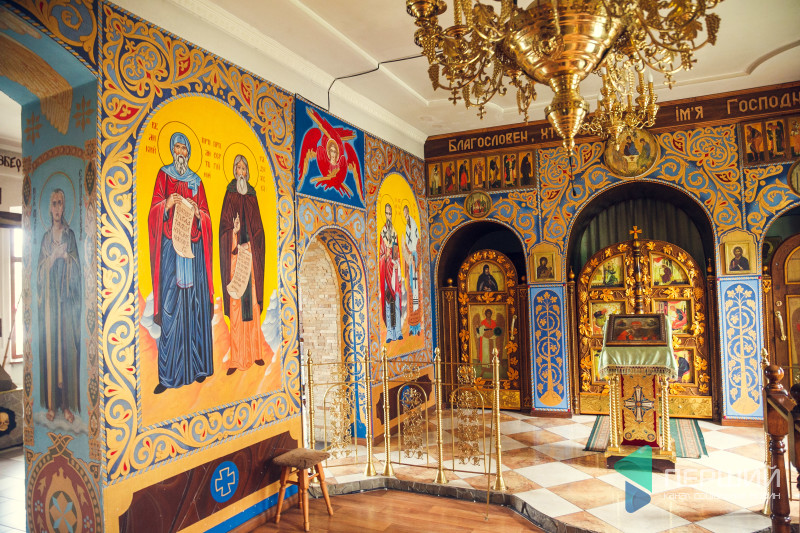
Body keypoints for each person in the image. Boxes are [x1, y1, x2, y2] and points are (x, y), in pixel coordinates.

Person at [148, 132, 214, 394]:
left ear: (188, 152)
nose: (180, 153)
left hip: (193, 252)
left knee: (194, 308)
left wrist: (199, 214)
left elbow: (207, 215)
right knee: (171, 308)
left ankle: (197, 368)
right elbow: (153, 211)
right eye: (176, 148)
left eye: (184, 148)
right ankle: (169, 376)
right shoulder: (163, 176)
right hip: (170, 253)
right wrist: (166, 204)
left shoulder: (196, 181)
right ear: (171, 150)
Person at [219, 155, 266, 375]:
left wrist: (253, 245)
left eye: (244, 168)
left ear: (247, 172)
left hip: (251, 262)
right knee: (237, 308)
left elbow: (260, 231)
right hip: (235, 260)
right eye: (238, 168)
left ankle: (256, 353)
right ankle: (236, 360)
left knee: (253, 308)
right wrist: (234, 234)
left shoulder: (253, 197)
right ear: (234, 171)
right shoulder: (229, 195)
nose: (241, 172)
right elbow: (223, 230)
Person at [38, 188, 81, 423]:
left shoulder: (70, 235)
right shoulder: (46, 239)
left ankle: (66, 406)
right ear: (50, 208)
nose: (56, 208)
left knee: (66, 352)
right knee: (50, 352)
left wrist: (66, 258)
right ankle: (52, 405)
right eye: (53, 203)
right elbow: (39, 272)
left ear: (64, 207)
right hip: (50, 307)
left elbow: (77, 266)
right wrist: (53, 258)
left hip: (65, 304)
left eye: (60, 203)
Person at [380, 203, 403, 342]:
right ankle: (389, 333)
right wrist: (386, 257)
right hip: (386, 275)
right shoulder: (382, 232)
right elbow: (380, 255)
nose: (388, 216)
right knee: (389, 303)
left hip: (394, 273)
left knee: (397, 300)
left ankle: (398, 331)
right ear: (385, 214)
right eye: (386, 213)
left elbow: (397, 253)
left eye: (390, 214)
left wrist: (396, 264)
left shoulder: (394, 232)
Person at [402, 205, 422, 336]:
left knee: (416, 296)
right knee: (410, 295)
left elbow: (417, 244)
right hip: (410, 266)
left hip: (414, 265)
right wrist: (408, 256)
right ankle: (411, 327)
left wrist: (414, 258)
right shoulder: (406, 228)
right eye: (404, 214)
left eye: (406, 213)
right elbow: (407, 246)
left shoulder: (413, 225)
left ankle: (417, 326)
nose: (405, 216)